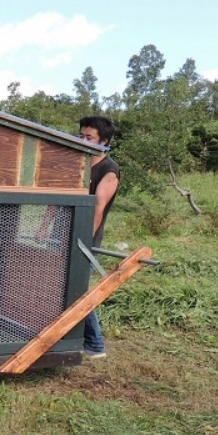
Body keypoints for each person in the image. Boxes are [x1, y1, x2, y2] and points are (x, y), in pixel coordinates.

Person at [79, 115, 120, 359]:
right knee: (62, 286)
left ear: (103, 141)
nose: (83, 141)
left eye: (89, 137)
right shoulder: (78, 163)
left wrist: (85, 240)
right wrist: (44, 229)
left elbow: (98, 207)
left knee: (79, 290)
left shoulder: (108, 170)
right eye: (81, 136)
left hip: (85, 239)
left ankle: (95, 345)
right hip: (63, 233)